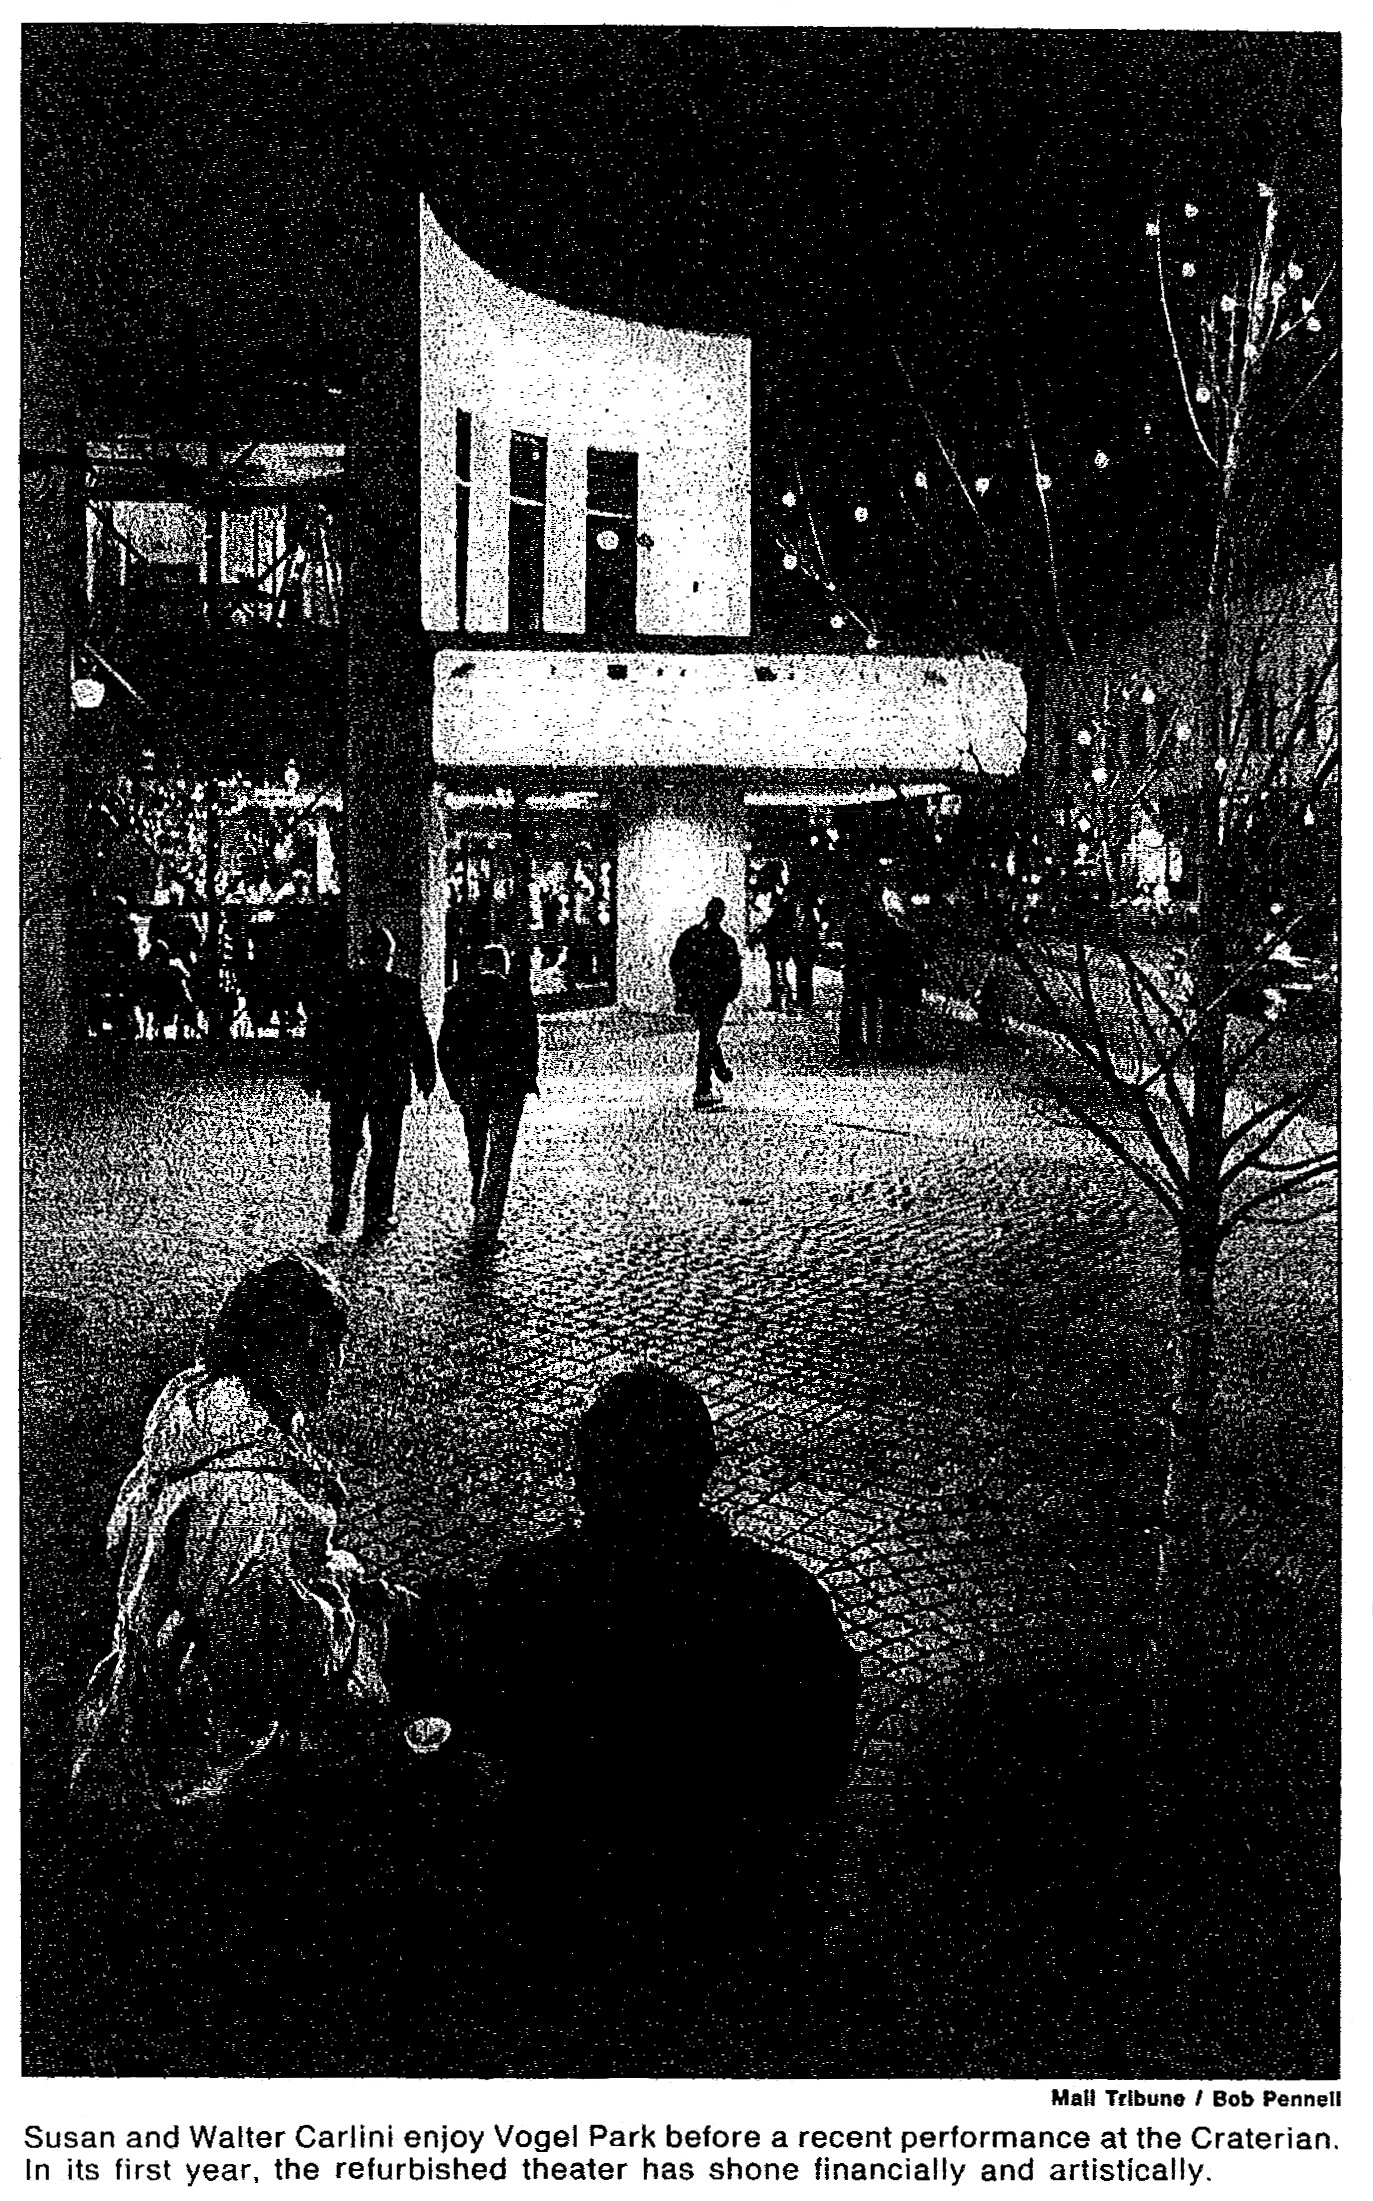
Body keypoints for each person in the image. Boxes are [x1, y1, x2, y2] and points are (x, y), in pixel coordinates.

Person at [477, 1365, 860, 2061]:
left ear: (587, 1472)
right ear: (702, 1469)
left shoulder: (531, 1589)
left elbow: (492, 1733)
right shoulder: (781, 1600)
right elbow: (818, 1761)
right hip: (728, 1916)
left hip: (564, 1910)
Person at [71, 1255, 429, 1816]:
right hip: (210, 1756)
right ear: (300, 1354)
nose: (336, 1367)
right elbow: (268, 1653)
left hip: (147, 1691)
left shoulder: (192, 1425)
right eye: (330, 1348)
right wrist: (349, 1605)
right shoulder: (252, 1495)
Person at [305, 922, 437, 1240]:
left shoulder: (341, 986)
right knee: (385, 1150)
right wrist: (426, 1075)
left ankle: (339, 1208)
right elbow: (417, 1036)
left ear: (363, 953)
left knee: (344, 1146)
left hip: (347, 1081)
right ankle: (377, 1215)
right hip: (388, 1081)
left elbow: (320, 1033)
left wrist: (317, 1074)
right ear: (389, 955)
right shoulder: (402, 989)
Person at [437, 941, 540, 1254]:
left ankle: (476, 1199)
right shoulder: (518, 994)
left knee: (477, 1146)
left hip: (473, 1084)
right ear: (503, 965)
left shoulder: (458, 994)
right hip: (509, 1086)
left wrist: (455, 1085)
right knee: (501, 1154)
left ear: (481, 964)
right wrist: (527, 1078)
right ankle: (488, 1223)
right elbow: (529, 1043)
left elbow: (447, 1046)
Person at [669, 895, 743, 1111]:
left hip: (696, 997)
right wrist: (729, 994)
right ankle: (704, 1088)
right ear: (722, 915)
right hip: (716, 998)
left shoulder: (690, 936)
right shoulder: (725, 941)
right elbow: (734, 972)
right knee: (707, 1038)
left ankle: (717, 1072)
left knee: (707, 1036)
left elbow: (676, 964)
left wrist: (684, 990)